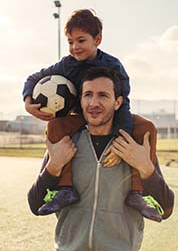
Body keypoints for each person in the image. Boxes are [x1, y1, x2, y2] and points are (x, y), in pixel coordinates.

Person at [23, 9, 158, 220]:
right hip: (80, 116)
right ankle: (65, 189)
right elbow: (34, 78)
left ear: (98, 39)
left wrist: (118, 138)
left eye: (81, 40)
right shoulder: (67, 64)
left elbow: (123, 105)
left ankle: (138, 192)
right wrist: (27, 102)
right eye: (70, 42)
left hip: (113, 115)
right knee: (55, 126)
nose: (75, 47)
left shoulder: (113, 66)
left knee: (147, 127)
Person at [28, 67, 174, 251]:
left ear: (118, 102)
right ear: (80, 100)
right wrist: (54, 165)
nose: (94, 103)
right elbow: (35, 204)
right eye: (88, 94)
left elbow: (166, 209)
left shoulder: (133, 147)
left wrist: (146, 168)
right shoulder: (65, 143)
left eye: (103, 95)